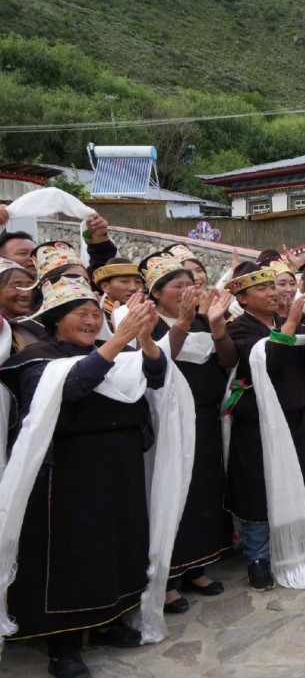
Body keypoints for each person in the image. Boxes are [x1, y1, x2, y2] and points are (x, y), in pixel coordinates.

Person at [0, 277, 169, 678]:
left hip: (120, 464)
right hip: (69, 471)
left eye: (96, 314)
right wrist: (118, 339)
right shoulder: (38, 357)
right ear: (57, 319)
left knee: (118, 544)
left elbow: (157, 376)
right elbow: (72, 387)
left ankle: (108, 620)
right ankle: (64, 645)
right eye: (82, 314)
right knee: (73, 555)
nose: (93, 321)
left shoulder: (117, 351)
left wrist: (144, 340)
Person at [224, 262, 305, 591]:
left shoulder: (290, 321)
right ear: (242, 298)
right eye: (262, 289)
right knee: (259, 487)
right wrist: (289, 324)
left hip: (297, 412)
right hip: (258, 418)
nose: (273, 293)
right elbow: (267, 362)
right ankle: (258, 558)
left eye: (273, 286)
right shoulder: (238, 329)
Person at [142, 253, 237, 614]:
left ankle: (197, 566)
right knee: (174, 491)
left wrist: (217, 327)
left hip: (205, 417)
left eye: (190, 284)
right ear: (156, 293)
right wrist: (180, 324)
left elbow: (228, 361)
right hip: (168, 420)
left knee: (203, 489)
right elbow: (157, 364)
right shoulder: (146, 323)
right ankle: (168, 579)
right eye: (177, 285)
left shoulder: (202, 320)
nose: (187, 290)